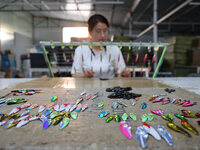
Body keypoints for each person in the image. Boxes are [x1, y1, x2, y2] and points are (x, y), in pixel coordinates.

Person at [71, 14, 131, 78]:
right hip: (88, 87)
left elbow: (120, 73)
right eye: (98, 31)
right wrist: (84, 75)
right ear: (90, 32)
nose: (102, 35)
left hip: (110, 87)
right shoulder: (81, 50)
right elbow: (74, 74)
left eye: (105, 31)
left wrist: (123, 75)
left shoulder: (114, 50)